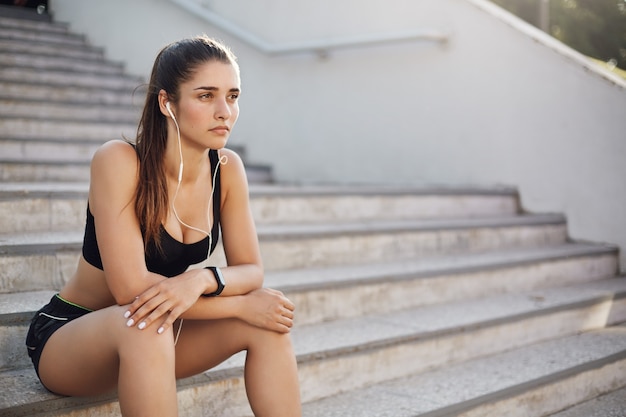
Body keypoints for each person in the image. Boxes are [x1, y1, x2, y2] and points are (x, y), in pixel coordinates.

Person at [25, 35, 302, 417]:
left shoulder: (227, 169)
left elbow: (252, 270)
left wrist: (202, 279)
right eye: (206, 96)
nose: (225, 111)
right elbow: (131, 290)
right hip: (72, 336)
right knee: (145, 324)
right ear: (166, 102)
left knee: (267, 327)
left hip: (151, 333)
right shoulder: (120, 161)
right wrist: (239, 304)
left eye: (233, 96)